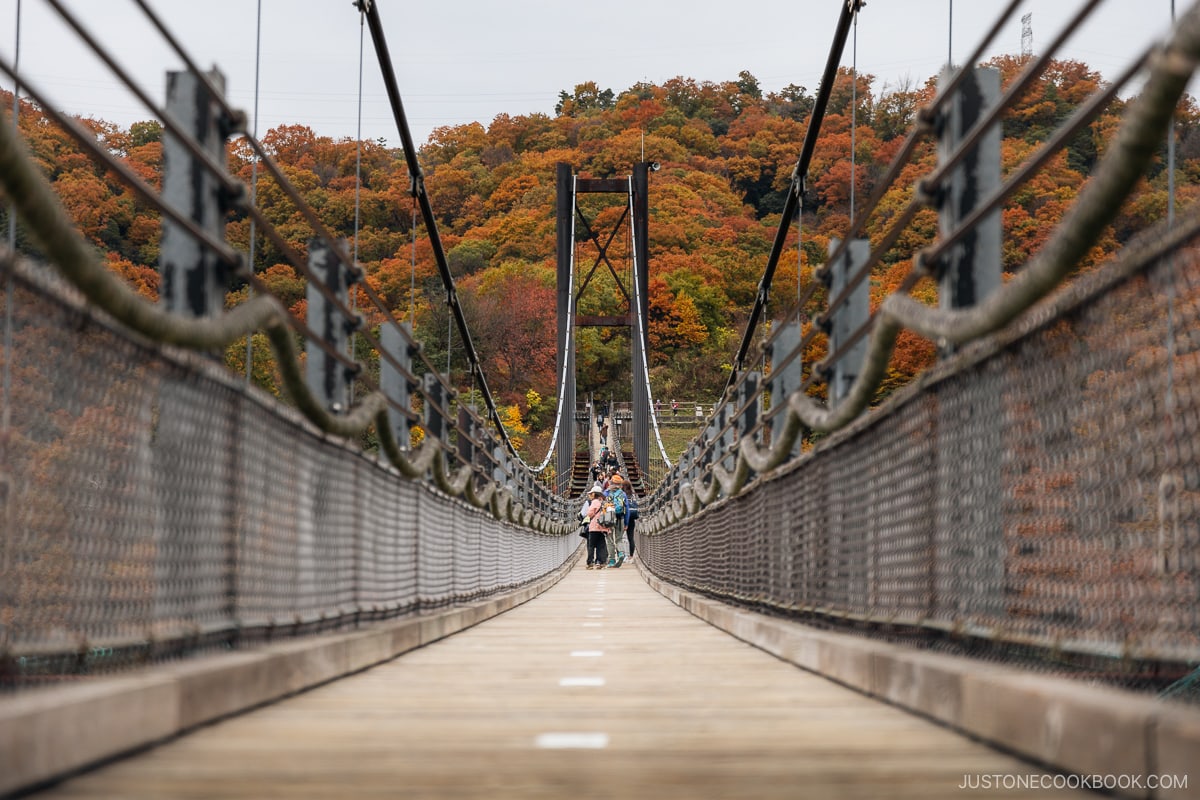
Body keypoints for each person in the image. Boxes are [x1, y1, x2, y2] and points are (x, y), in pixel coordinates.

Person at [584, 484, 609, 569]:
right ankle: (601, 562)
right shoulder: (603, 502)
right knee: (600, 545)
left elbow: (589, 513)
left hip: (594, 527)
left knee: (591, 545)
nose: (590, 495)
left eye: (591, 494)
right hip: (602, 528)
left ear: (594, 494)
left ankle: (590, 562)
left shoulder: (594, 502)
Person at [607, 474, 629, 568]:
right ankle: (621, 553)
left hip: (609, 519)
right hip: (620, 518)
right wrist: (626, 523)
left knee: (610, 540)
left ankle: (612, 560)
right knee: (619, 539)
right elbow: (627, 509)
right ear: (620, 484)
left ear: (611, 482)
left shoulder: (606, 492)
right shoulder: (623, 494)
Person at [624, 486, 639, 560]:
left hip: (623, 517)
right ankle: (631, 555)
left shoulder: (622, 495)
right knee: (630, 537)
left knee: (620, 538)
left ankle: (622, 555)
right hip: (632, 518)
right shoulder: (633, 495)